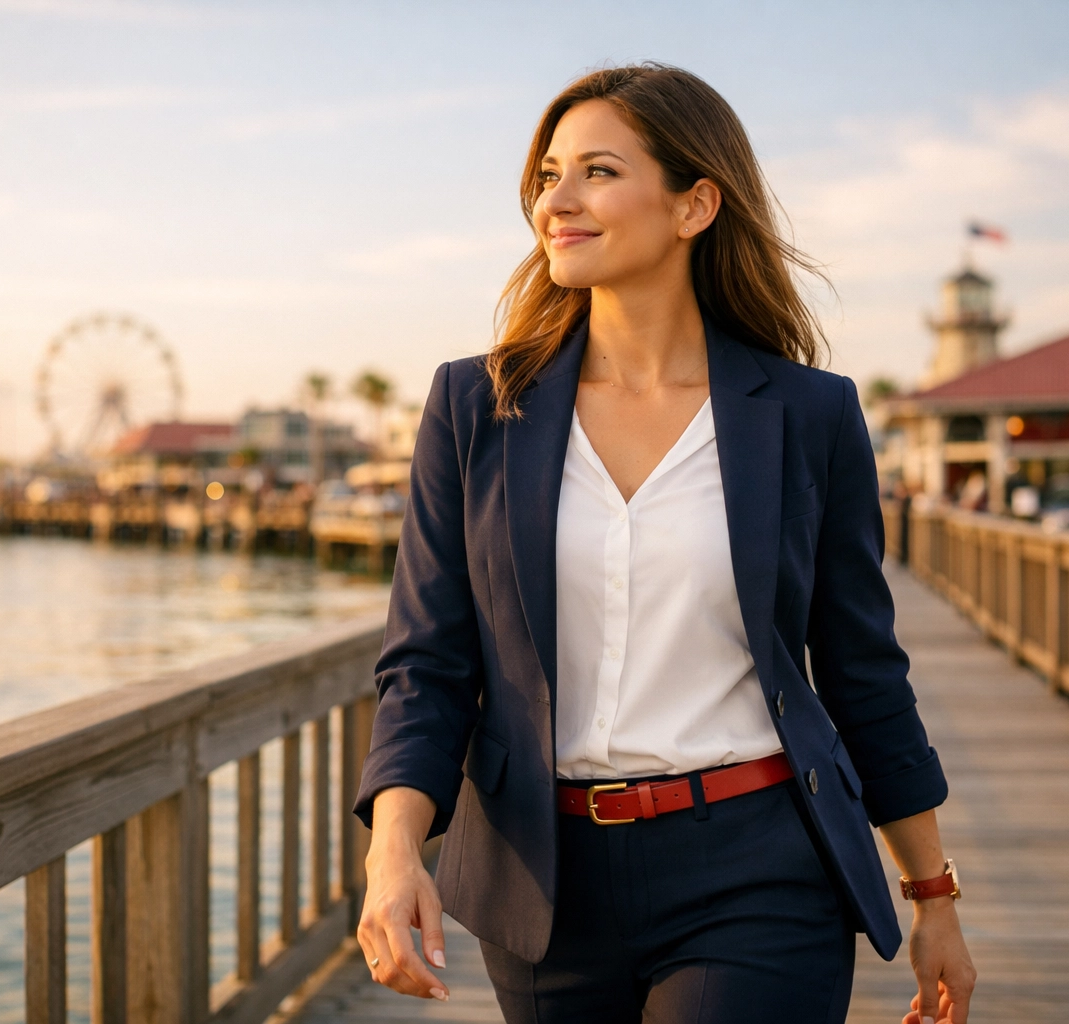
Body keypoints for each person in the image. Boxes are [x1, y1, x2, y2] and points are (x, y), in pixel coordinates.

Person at [351, 64, 975, 1024]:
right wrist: (395, 847)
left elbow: (861, 670)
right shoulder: (474, 407)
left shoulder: (809, 415)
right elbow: (428, 662)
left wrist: (933, 895)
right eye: (547, 175)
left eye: (596, 171)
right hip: (542, 881)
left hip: (758, 864)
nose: (555, 201)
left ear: (695, 205)